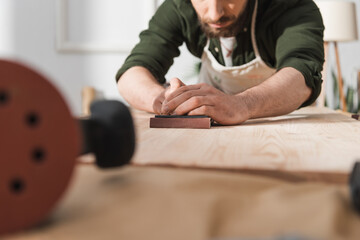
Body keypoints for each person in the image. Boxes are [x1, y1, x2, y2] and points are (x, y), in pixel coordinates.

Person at [116, 0, 324, 125]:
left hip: (277, 128)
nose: (215, 13)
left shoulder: (292, 6)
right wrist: (166, 101)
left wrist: (242, 105)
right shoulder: (179, 6)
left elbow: (303, 73)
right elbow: (132, 72)